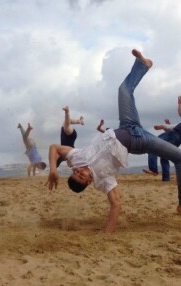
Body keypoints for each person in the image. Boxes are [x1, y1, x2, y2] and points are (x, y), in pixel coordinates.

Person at [46, 49, 181, 233]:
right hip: (140, 141)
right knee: (179, 157)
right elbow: (116, 204)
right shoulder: (103, 180)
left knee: (124, 90)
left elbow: (55, 148)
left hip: (127, 125)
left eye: (75, 172)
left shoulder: (77, 158)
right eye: (81, 176)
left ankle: (143, 64)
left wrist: (53, 169)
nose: (79, 171)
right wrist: (105, 233)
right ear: (87, 183)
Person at [143, 115, 181, 181]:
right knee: (164, 157)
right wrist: (168, 125)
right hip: (178, 141)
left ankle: (153, 169)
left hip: (173, 135)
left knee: (153, 145)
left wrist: (163, 126)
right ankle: (166, 179)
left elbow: (174, 128)